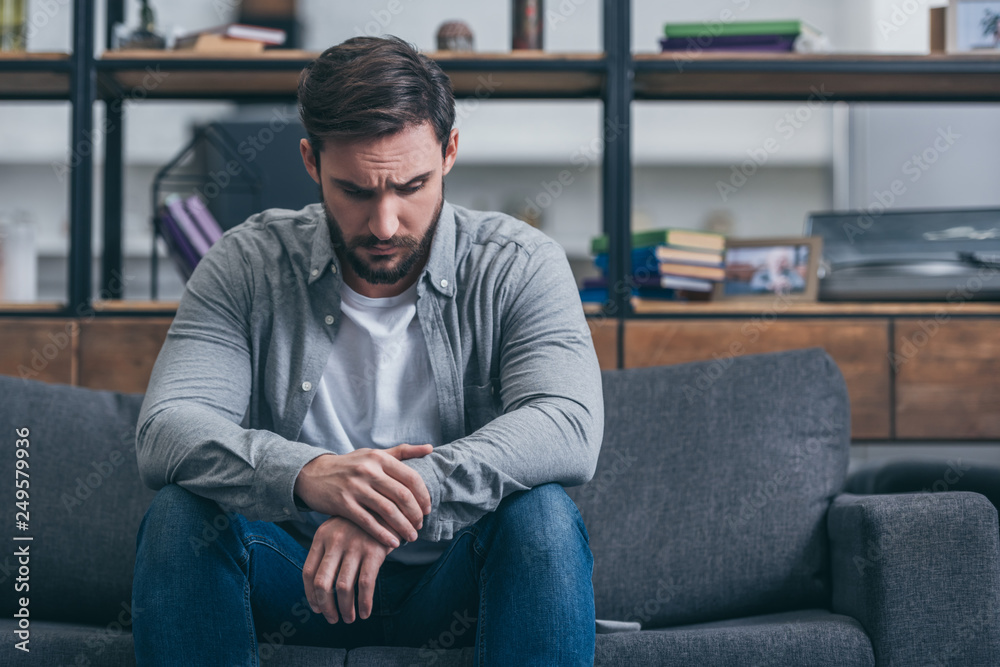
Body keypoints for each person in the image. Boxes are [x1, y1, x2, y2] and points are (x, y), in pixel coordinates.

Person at [131, 35, 604, 666]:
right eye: (355, 191)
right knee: (179, 519)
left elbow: (568, 423)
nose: (385, 224)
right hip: (298, 583)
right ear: (310, 161)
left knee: (542, 517)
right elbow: (165, 429)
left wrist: (397, 498)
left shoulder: (519, 265)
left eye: (411, 186)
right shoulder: (245, 264)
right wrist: (308, 477)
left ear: (450, 151)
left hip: (457, 585)